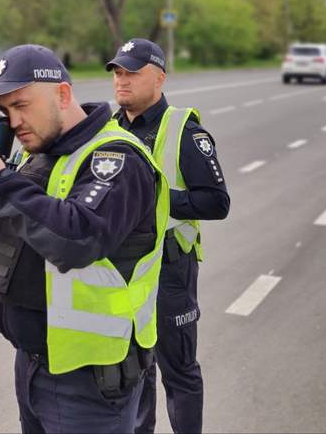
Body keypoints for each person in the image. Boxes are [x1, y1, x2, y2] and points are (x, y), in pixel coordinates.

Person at [0, 44, 169, 434]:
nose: (14, 122)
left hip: (89, 382)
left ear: (62, 95)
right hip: (33, 365)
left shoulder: (116, 158)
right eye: (6, 110)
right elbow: (7, 232)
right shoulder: (40, 153)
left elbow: (76, 239)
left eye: (22, 105)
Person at [105, 38, 230, 434]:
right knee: (134, 372)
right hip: (122, 273)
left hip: (170, 271)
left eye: (132, 73)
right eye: (118, 73)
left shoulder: (183, 130)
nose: (121, 82)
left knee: (179, 371)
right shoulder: (109, 128)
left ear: (158, 79)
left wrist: (155, 200)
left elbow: (216, 202)